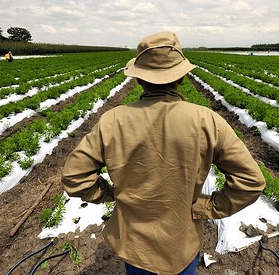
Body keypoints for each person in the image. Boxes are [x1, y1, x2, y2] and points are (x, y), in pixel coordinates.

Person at [61, 32, 265, 274]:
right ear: (181, 77)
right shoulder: (207, 120)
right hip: (181, 243)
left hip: (135, 246)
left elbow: (74, 178)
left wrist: (113, 194)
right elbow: (251, 181)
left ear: (139, 79)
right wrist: (205, 208)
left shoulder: (112, 121)